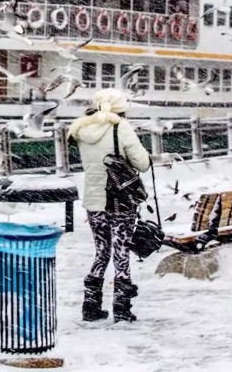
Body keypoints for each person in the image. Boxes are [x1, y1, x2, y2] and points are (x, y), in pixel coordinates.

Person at [68, 88, 151, 323]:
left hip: (94, 201)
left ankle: (91, 305)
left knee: (102, 252)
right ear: (120, 108)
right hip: (120, 200)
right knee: (121, 252)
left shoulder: (81, 129)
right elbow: (142, 163)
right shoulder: (120, 127)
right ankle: (122, 308)